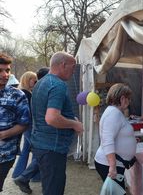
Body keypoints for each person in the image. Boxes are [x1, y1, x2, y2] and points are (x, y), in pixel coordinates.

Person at [30, 52, 84, 195]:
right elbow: (52, 118)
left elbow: (43, 114)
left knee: (49, 187)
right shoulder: (58, 85)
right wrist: (74, 124)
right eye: (73, 68)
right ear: (63, 65)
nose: (73, 72)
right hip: (53, 149)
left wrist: (70, 118)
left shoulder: (40, 83)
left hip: (41, 145)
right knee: (54, 190)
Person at [94, 83, 137, 192]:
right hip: (110, 164)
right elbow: (107, 141)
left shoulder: (114, 112)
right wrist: (112, 167)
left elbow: (116, 135)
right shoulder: (114, 114)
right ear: (122, 98)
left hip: (113, 163)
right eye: (129, 98)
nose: (129, 102)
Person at [13, 68, 49, 194]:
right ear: (28, 80)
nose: (36, 81)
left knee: (27, 151)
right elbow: (30, 112)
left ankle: (19, 174)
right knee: (39, 151)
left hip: (27, 126)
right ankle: (27, 176)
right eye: (34, 80)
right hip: (29, 126)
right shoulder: (26, 93)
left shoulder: (24, 92)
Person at [0, 53, 30, 192]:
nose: (5, 74)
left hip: (5, 155)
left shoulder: (18, 95)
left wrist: (3, 134)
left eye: (7, 70)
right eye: (0, 70)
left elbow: (24, 123)